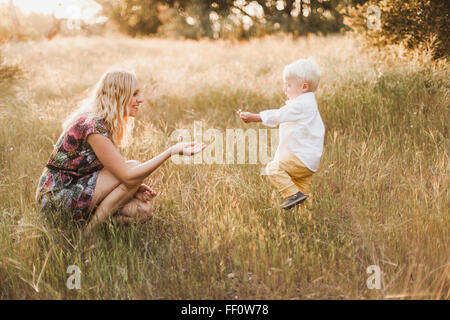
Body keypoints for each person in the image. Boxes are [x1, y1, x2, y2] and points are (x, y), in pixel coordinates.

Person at [35, 70, 205, 234]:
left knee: (142, 210)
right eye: (134, 94)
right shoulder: (92, 126)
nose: (141, 100)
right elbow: (127, 176)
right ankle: (88, 234)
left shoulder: (103, 123)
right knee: (133, 169)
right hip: (55, 199)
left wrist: (133, 186)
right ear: (118, 96)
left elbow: (113, 171)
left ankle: (81, 226)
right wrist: (170, 152)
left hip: (77, 188)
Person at [238, 58, 325, 210]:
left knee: (273, 168)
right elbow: (291, 120)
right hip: (309, 162)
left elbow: (279, 115)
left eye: (288, 85)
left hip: (300, 158)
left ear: (304, 86)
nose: (284, 89)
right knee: (302, 192)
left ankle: (293, 195)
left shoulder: (301, 104)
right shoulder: (308, 103)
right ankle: (307, 218)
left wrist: (254, 117)